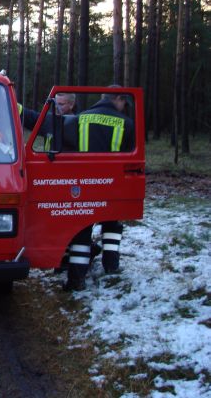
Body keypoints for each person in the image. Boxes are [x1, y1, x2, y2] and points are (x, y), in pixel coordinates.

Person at [62, 87, 135, 291]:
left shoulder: (80, 119)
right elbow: (131, 157)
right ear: (118, 99)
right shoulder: (127, 124)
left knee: (81, 232)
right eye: (123, 103)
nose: (123, 107)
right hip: (112, 186)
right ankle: (111, 268)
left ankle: (76, 279)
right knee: (112, 227)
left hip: (83, 184)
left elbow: (68, 151)